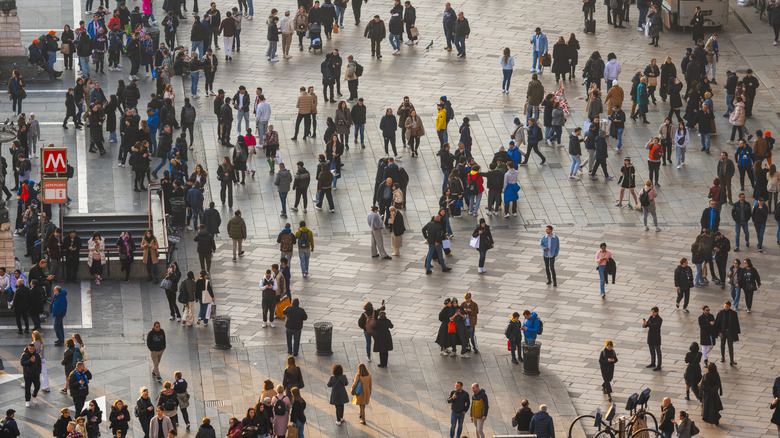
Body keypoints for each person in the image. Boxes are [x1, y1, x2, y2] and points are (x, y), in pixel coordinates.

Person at [20, 343, 42, 407]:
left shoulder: (37, 355)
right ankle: (27, 400)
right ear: (28, 348)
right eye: (30, 348)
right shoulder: (24, 355)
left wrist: (39, 371)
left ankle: (34, 395)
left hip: (36, 374)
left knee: (37, 386)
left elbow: (39, 363)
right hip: (28, 374)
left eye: (33, 348)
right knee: (27, 388)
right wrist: (30, 361)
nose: (32, 350)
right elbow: (22, 363)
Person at [643, 306, 663, 371]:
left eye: (653, 312)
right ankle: (653, 362)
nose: (652, 313)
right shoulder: (651, 317)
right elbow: (647, 325)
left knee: (658, 352)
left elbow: (655, 326)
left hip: (656, 338)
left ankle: (659, 365)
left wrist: (648, 324)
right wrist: (644, 324)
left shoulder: (659, 319)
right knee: (652, 351)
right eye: (652, 312)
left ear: (657, 312)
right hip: (650, 337)